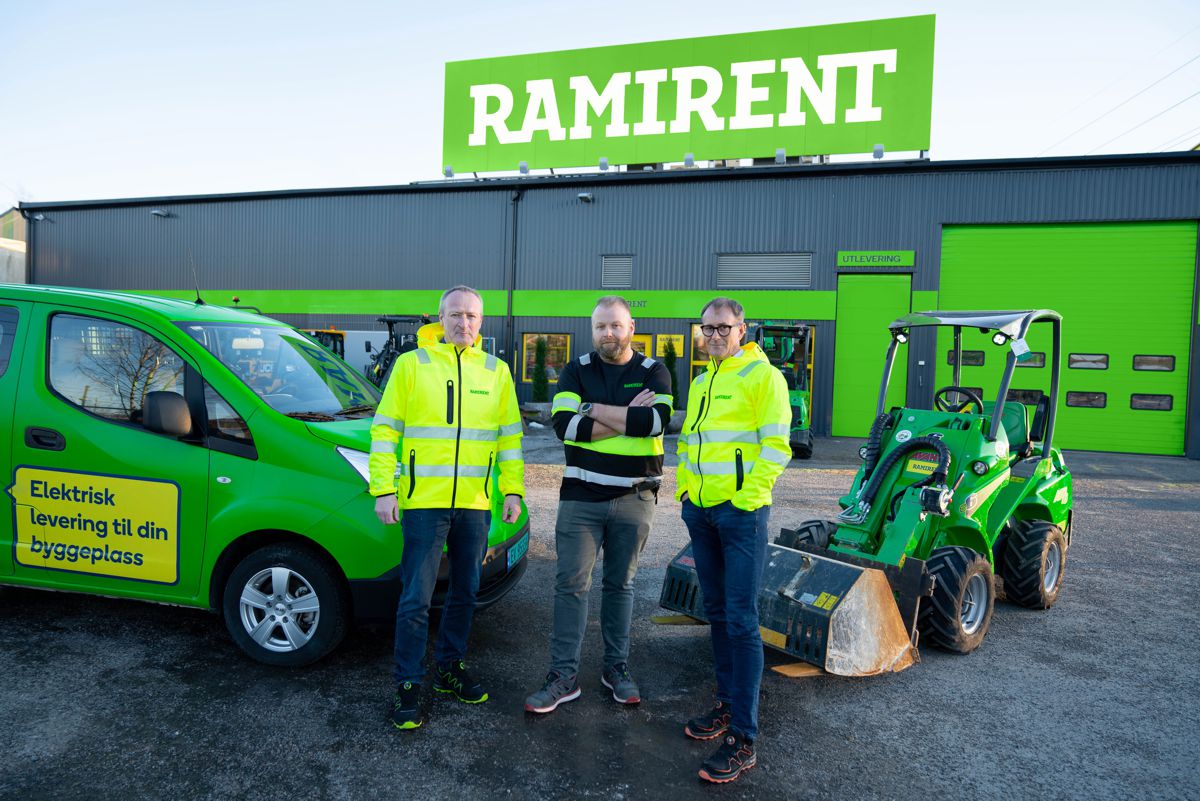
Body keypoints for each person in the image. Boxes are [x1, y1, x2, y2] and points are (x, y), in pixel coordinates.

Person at [369, 285, 524, 731]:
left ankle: (449, 670)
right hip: (423, 504)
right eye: (455, 314)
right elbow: (384, 431)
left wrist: (512, 492)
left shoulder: (497, 372)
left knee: (465, 592)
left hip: (474, 505)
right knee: (415, 597)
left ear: (482, 322)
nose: (464, 323)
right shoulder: (411, 364)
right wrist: (384, 489)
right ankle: (409, 682)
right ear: (440, 318)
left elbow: (510, 438)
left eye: (472, 316)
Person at [524, 296, 673, 714]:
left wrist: (593, 412)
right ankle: (563, 676)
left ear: (631, 327)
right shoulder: (577, 369)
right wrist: (626, 415)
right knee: (570, 586)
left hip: (635, 496)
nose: (608, 333)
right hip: (580, 497)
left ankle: (616, 668)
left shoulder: (653, 370)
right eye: (600, 327)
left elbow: (656, 423)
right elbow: (563, 425)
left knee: (620, 586)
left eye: (616, 326)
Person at [675, 297, 791, 784]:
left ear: (743, 329)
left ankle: (744, 738)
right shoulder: (703, 381)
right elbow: (689, 442)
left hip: (740, 516)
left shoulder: (765, 378)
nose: (716, 335)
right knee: (717, 612)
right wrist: (685, 491)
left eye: (724, 327)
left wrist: (747, 498)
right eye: (708, 328)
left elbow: (777, 445)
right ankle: (726, 704)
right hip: (700, 513)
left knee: (743, 621)